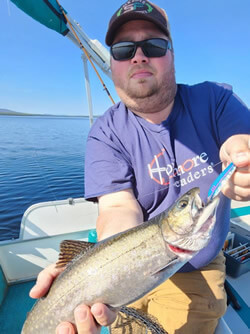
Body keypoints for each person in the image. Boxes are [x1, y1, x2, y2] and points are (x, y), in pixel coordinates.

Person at [30, 1, 250, 333]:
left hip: (196, 269)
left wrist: (242, 157)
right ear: (114, 64)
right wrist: (86, 271)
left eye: (154, 45)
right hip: (124, 274)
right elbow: (118, 207)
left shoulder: (216, 100)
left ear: (172, 54)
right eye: (123, 49)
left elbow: (240, 140)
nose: (139, 55)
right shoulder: (105, 133)